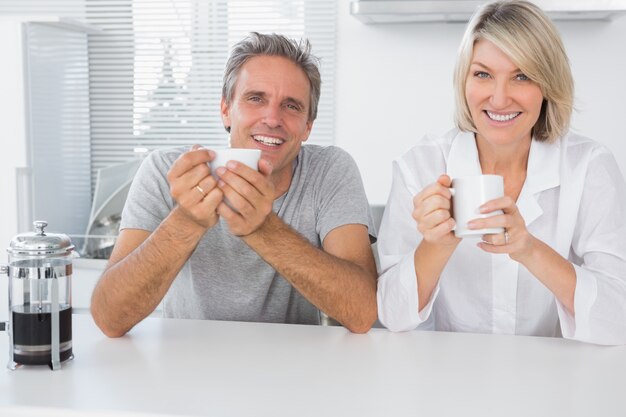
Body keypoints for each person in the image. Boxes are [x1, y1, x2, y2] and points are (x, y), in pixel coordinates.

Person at [91, 32, 378, 337]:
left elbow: (362, 314)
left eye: (291, 106)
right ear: (226, 109)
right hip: (185, 369)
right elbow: (110, 318)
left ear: (308, 125)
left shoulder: (329, 171)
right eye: (256, 98)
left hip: (294, 369)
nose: (272, 118)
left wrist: (263, 228)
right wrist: (186, 221)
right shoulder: (167, 170)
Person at [376, 0, 626, 345]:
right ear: (464, 81)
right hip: (447, 376)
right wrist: (434, 247)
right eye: (483, 74)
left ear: (548, 86)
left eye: (521, 76)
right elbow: (391, 316)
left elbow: (618, 320)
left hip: (555, 379)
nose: (498, 98)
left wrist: (530, 250)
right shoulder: (421, 166)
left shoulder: (588, 167)